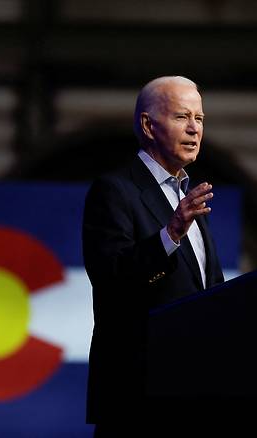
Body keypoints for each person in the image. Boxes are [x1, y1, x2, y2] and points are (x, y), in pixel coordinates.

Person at [82, 76, 225, 434]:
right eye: (181, 117)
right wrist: (171, 233)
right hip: (138, 400)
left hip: (192, 397)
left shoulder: (187, 196)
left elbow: (208, 292)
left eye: (200, 118)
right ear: (148, 125)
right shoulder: (115, 191)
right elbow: (111, 276)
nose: (194, 129)